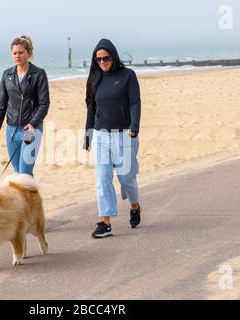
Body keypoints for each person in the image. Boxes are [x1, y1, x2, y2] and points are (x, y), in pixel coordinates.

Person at [84, 39, 141, 238]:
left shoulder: (128, 76)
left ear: (113, 57)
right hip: (100, 135)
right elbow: (91, 108)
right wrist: (88, 134)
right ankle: (105, 221)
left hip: (124, 135)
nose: (102, 62)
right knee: (102, 178)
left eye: (106, 58)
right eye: (98, 59)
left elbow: (135, 102)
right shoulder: (94, 79)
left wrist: (134, 127)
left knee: (126, 179)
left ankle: (134, 205)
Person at [0, 35, 50, 176]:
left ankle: (29, 198)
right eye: (14, 53)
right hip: (12, 129)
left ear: (29, 53)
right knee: (17, 172)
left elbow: (44, 104)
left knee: (25, 172)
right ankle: (26, 198)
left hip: (31, 130)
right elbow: (0, 106)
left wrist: (33, 123)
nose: (17, 56)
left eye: (21, 52)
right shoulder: (7, 75)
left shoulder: (39, 74)